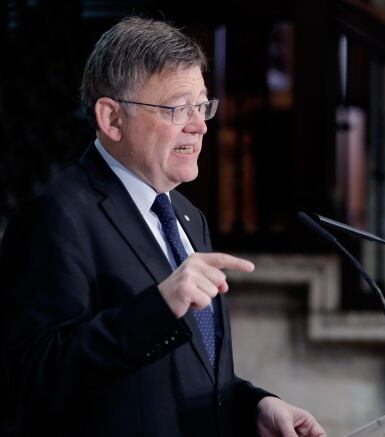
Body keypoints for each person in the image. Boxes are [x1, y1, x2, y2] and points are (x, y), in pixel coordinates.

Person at [0, 17, 326, 437]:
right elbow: (33, 383)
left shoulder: (188, 216)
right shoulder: (55, 218)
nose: (199, 125)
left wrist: (255, 406)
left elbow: (180, 374)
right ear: (112, 119)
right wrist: (158, 305)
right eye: (177, 108)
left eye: (203, 105)